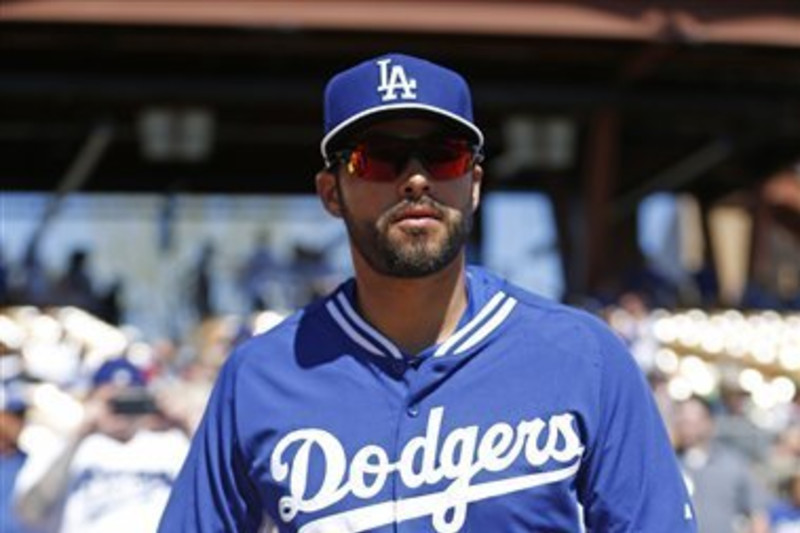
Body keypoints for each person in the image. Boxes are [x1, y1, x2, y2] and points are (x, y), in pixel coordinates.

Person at [158, 53, 696, 532]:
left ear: (475, 183)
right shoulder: (259, 375)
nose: (416, 180)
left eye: (444, 157)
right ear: (332, 193)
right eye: (378, 157)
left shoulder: (584, 356)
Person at [14, 358, 190, 533]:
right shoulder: (62, 445)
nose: (120, 411)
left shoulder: (171, 443)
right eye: (112, 401)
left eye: (129, 399)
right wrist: (79, 434)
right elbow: (30, 512)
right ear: (92, 398)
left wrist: (186, 424)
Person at [673, 395, 769, 533]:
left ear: (708, 422)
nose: (687, 428)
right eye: (682, 422)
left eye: (692, 422)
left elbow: (758, 516)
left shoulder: (733, 464)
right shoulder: (669, 465)